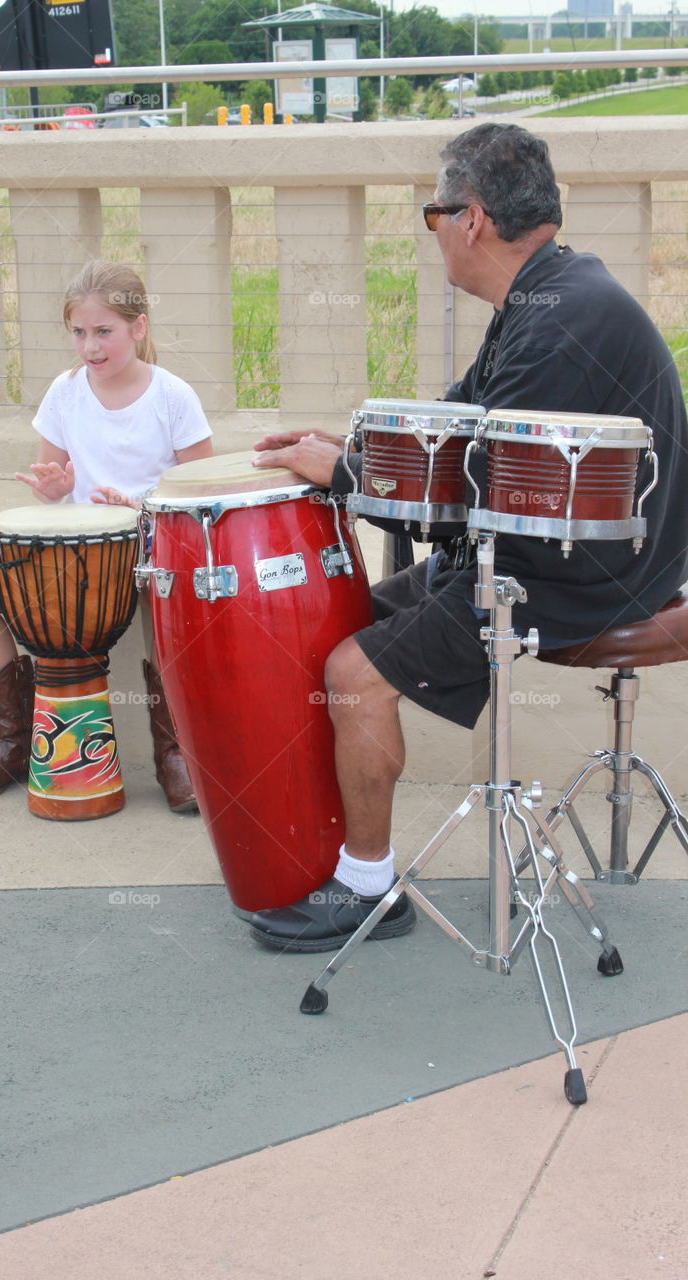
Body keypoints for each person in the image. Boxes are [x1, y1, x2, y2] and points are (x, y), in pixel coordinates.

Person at [248, 122, 688, 952]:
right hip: (543, 546)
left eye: (432, 214)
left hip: (579, 572)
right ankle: (328, 847)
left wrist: (343, 479)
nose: (434, 231)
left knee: (352, 671)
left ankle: (367, 888)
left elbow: (484, 487)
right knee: (331, 623)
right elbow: (457, 428)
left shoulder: (561, 319)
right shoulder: (546, 293)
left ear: (471, 219)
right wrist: (348, 455)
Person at [0, 260, 214, 811]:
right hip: (80, 551)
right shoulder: (65, 392)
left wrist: (141, 506)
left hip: (153, 543)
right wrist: (54, 488)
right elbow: (52, 486)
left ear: (138, 328)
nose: (90, 347)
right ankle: (13, 742)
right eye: (79, 332)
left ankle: (176, 754)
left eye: (104, 332)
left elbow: (201, 493)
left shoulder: (172, 396)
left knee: (172, 596)